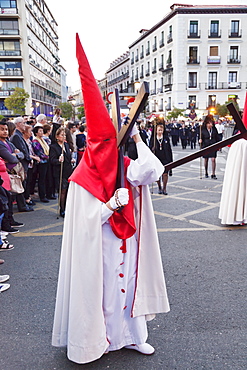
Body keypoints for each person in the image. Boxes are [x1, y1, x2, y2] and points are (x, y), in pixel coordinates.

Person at [52, 34, 170, 364]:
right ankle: (96, 339)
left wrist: (134, 135)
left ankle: (132, 337)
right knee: (101, 291)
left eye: (111, 142)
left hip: (126, 239)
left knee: (129, 283)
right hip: (98, 243)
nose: (107, 150)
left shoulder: (123, 162)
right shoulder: (80, 178)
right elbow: (81, 223)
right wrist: (109, 207)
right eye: (101, 143)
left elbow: (153, 170)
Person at [10, 117, 34, 211]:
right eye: (23, 123)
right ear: (18, 124)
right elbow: (21, 151)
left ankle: (24, 204)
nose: (25, 125)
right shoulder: (16, 136)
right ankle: (22, 205)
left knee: (23, 184)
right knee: (21, 185)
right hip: (21, 164)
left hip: (24, 163)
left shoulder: (18, 135)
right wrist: (28, 158)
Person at [49, 127, 74, 217]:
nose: (64, 137)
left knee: (68, 190)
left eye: (65, 135)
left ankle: (67, 208)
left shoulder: (66, 145)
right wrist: (59, 160)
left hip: (68, 171)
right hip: (59, 172)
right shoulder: (53, 147)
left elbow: (68, 157)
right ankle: (62, 209)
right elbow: (52, 160)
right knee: (62, 191)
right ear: (57, 136)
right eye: (62, 135)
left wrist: (71, 159)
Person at [149, 122, 173, 195]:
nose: (160, 132)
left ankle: (164, 188)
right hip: (157, 158)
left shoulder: (166, 138)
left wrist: (170, 160)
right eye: (159, 130)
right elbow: (149, 149)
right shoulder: (153, 139)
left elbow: (169, 149)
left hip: (165, 158)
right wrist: (152, 148)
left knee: (165, 174)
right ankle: (159, 187)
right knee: (158, 174)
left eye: (161, 130)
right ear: (156, 130)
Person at [32, 126, 50, 203]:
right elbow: (39, 153)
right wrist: (48, 157)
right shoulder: (35, 141)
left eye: (42, 131)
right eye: (40, 131)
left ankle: (45, 194)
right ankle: (42, 196)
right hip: (41, 162)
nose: (42, 132)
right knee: (41, 179)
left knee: (46, 178)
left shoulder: (43, 140)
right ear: (36, 133)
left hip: (46, 162)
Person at [199, 115, 220, 179]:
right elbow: (201, 137)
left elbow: (217, 137)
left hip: (213, 145)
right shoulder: (202, 129)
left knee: (213, 159)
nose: (211, 125)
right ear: (207, 124)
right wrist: (200, 141)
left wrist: (218, 145)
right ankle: (206, 172)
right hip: (206, 145)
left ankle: (213, 173)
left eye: (211, 123)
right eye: (209, 123)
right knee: (206, 159)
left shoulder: (214, 129)